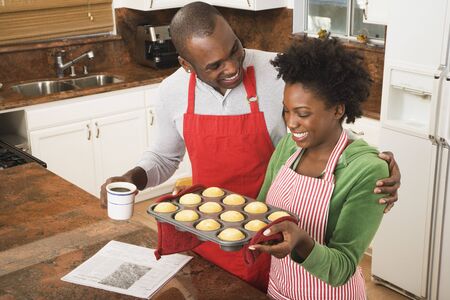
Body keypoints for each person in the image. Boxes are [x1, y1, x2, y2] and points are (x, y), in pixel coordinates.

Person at [100, 1, 400, 291]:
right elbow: (164, 157)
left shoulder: (279, 72)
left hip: (271, 240)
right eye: (215, 65)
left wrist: (373, 162)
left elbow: (324, 128)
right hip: (203, 232)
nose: (232, 67)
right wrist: (132, 178)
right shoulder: (171, 91)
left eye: (235, 49)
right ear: (186, 65)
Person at [249, 38, 388, 299]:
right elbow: (261, 210)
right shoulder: (287, 149)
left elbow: (342, 268)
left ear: (337, 110)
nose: (291, 123)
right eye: (286, 111)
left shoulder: (367, 170)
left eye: (302, 114)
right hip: (279, 288)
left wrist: (301, 242)